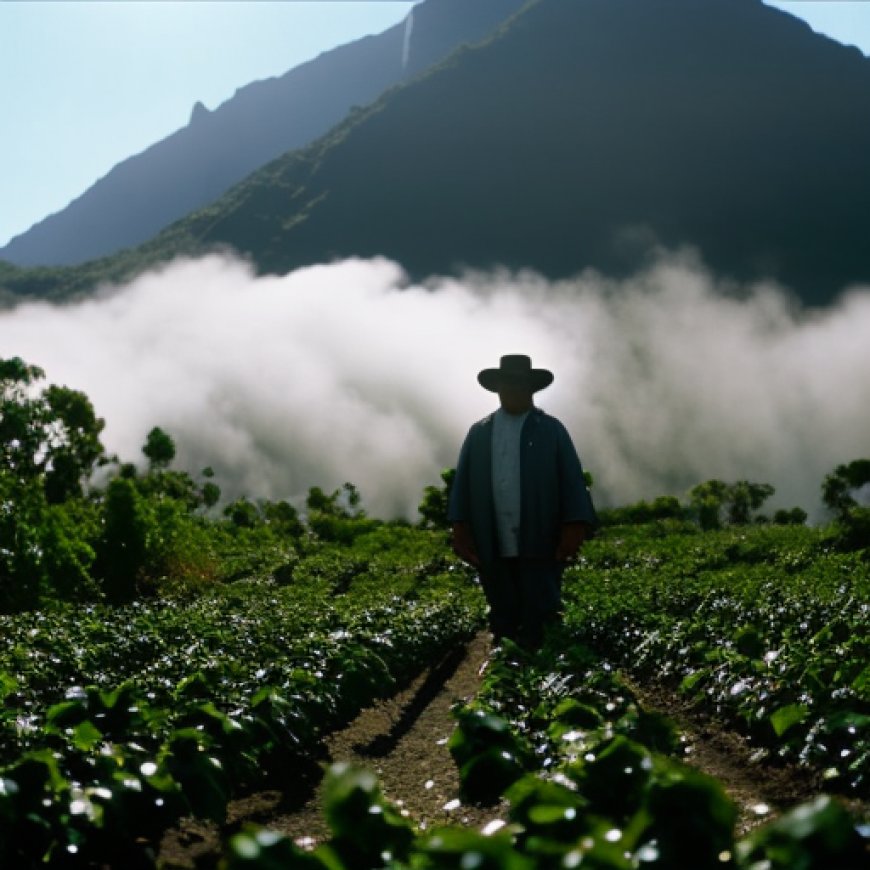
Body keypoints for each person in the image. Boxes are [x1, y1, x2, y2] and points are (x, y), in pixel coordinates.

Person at [447, 354, 597, 648]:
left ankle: (540, 658)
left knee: (540, 600)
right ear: (498, 389)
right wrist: (460, 528)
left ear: (531, 389)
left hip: (541, 532)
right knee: (500, 598)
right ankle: (504, 658)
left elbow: (572, 481)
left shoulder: (551, 430)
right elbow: (462, 484)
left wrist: (574, 526)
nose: (513, 391)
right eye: (507, 385)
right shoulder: (480, 432)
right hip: (492, 533)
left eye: (519, 385)